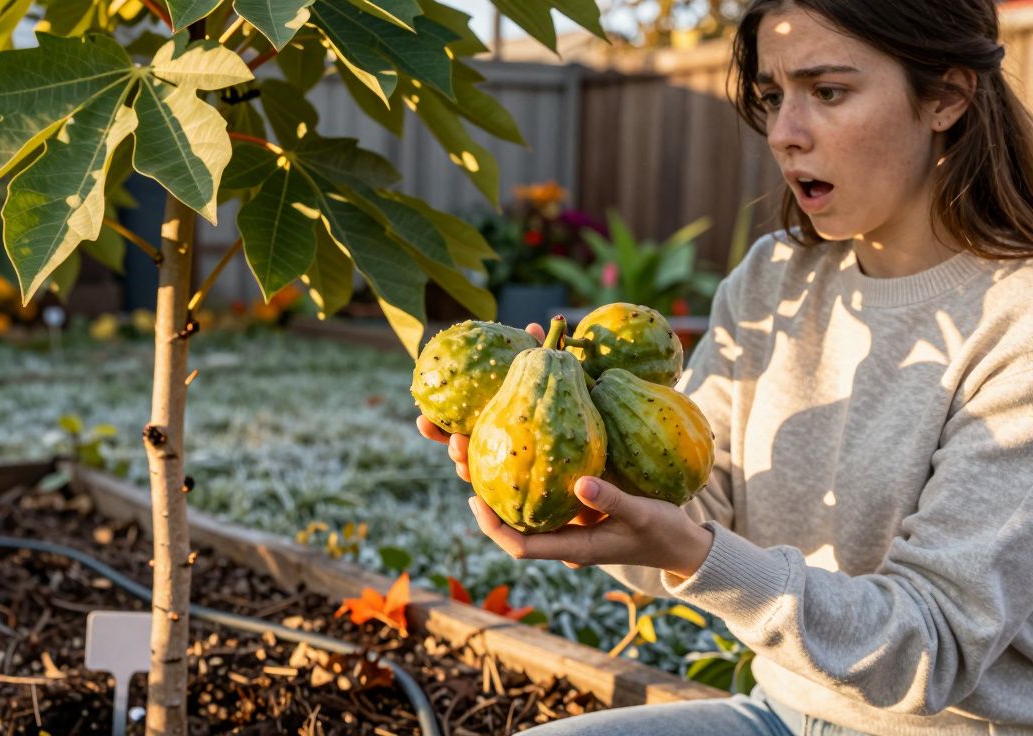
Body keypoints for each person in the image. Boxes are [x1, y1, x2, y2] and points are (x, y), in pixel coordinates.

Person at [417, 1, 1033, 733]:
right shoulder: (773, 279)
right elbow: (690, 508)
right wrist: (590, 485)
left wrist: (692, 551)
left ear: (948, 97)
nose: (783, 134)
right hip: (779, 713)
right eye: (773, 98)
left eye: (827, 92)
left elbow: (931, 645)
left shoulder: (1015, 319)